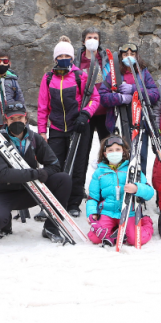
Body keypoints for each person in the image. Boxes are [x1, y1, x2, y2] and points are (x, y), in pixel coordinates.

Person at [0, 103, 71, 242]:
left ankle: (51, 227)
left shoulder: (34, 139)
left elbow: (54, 165)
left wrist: (44, 173)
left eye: (20, 118)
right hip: (5, 193)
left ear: (26, 119)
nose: (16, 122)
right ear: (6, 121)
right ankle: (5, 223)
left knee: (63, 179)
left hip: (31, 191)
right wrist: (35, 174)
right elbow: (3, 174)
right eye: (12, 119)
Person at [37, 36, 100, 218]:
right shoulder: (48, 78)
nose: (64, 58)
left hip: (79, 127)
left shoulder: (81, 75)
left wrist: (86, 114)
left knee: (78, 166)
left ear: (73, 58)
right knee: (54, 166)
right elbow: (42, 106)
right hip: (56, 128)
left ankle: (73, 202)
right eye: (60, 55)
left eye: (67, 55)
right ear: (55, 58)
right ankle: (51, 202)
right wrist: (42, 131)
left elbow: (95, 99)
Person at [98, 42, 159, 173]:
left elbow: (154, 94)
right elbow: (102, 96)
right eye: (126, 54)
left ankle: (139, 185)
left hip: (140, 122)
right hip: (118, 123)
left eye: (132, 54)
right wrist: (119, 98)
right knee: (120, 156)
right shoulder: (114, 75)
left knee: (140, 156)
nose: (129, 56)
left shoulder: (143, 73)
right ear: (121, 57)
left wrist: (134, 90)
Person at [86, 135, 154, 247]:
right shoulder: (99, 173)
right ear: (105, 153)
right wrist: (92, 213)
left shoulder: (132, 169)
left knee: (134, 240)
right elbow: (93, 197)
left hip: (128, 212)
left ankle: (146, 223)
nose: (114, 152)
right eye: (110, 150)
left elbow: (149, 192)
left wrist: (136, 188)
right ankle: (115, 233)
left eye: (118, 149)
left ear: (123, 151)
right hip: (107, 212)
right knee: (95, 237)